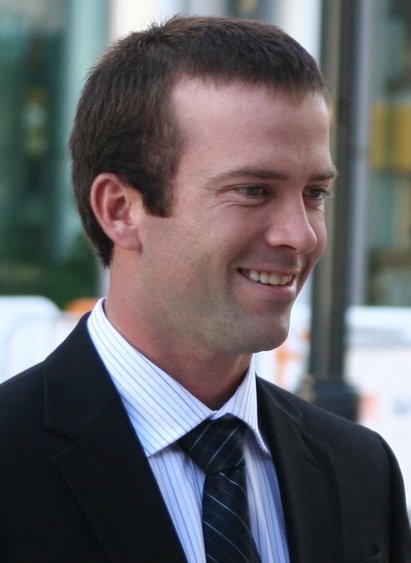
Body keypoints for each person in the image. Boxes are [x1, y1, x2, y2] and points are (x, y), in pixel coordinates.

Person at [0, 15, 410, 563]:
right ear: (120, 210)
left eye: (315, 193)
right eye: (253, 190)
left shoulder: (359, 470)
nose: (301, 235)